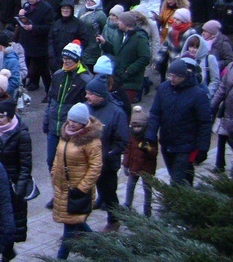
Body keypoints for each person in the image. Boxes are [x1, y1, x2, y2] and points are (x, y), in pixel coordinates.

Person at [145, 59, 212, 186]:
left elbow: (205, 122)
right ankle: (188, 197)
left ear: (184, 76)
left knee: (176, 181)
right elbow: (155, 113)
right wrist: (150, 134)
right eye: (170, 75)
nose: (172, 79)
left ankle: (173, 204)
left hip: (185, 145)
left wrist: (203, 148)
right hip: (167, 143)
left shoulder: (198, 94)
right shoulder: (163, 89)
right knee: (180, 176)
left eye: (176, 76)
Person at [44, 41, 93, 210]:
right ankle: (58, 194)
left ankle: (71, 197)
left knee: (70, 166)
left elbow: (88, 109)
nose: (65, 62)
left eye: (69, 60)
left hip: (71, 131)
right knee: (52, 163)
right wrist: (46, 120)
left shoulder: (85, 79)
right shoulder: (58, 74)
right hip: (53, 128)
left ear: (77, 60)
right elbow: (51, 100)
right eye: (64, 58)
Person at [50, 103, 103, 260]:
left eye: (75, 121)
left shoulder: (91, 141)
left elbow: (95, 167)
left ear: (83, 122)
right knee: (76, 223)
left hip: (77, 192)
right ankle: (103, 246)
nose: (71, 123)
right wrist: (54, 173)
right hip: (62, 189)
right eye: (70, 119)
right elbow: (58, 157)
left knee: (70, 230)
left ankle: (61, 258)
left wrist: (81, 188)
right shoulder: (65, 134)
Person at [0, 100, 32, 254]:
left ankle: (7, 252)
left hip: (12, 185)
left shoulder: (21, 134)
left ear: (10, 117)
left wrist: (20, 189)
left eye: (1, 117)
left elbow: (25, 165)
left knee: (11, 223)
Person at [84, 76, 128, 232]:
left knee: (108, 193)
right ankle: (77, 225)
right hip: (85, 161)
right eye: (86, 93)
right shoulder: (85, 108)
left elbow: (121, 141)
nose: (86, 96)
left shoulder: (116, 112)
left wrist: (107, 155)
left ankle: (114, 220)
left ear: (100, 95)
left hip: (106, 165)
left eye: (90, 94)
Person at [99, 11, 152, 102]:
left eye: (120, 21)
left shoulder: (140, 37)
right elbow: (116, 51)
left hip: (131, 80)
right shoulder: (120, 34)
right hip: (118, 77)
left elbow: (145, 58)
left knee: (124, 106)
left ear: (126, 23)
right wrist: (105, 44)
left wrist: (128, 71)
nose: (118, 23)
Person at [18, 0, 54, 94]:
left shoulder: (46, 8)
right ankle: (24, 89)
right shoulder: (26, 6)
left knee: (44, 69)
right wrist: (20, 16)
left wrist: (33, 28)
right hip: (26, 42)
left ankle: (49, 92)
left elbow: (48, 27)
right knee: (25, 66)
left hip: (39, 44)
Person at [123, 106, 157, 217]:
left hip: (146, 168)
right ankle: (127, 205)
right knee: (130, 187)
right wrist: (125, 164)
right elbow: (127, 151)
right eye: (134, 126)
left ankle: (147, 209)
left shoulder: (150, 136)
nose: (137, 129)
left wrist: (147, 148)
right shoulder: (131, 135)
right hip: (134, 166)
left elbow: (154, 153)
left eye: (139, 126)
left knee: (147, 189)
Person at [48, 0, 89, 73]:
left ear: (72, 10)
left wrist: (75, 52)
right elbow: (50, 39)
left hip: (72, 60)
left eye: (67, 8)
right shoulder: (56, 23)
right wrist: (51, 56)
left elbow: (84, 41)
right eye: (63, 8)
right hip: (56, 59)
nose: (65, 10)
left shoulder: (79, 24)